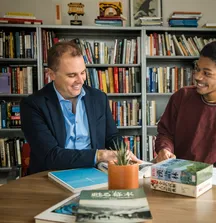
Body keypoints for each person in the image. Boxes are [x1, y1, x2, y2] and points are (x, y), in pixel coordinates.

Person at [20, 41, 140, 174]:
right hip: (51, 175)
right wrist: (100, 155)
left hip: (96, 173)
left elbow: (112, 137)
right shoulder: (32, 105)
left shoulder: (98, 98)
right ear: (51, 74)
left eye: (82, 72)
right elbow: (50, 156)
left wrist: (124, 155)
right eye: (72, 75)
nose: (81, 80)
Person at [155, 40, 216, 174]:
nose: (197, 76)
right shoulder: (181, 97)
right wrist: (164, 149)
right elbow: (165, 133)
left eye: (207, 73)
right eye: (197, 69)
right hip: (175, 178)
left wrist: (196, 174)